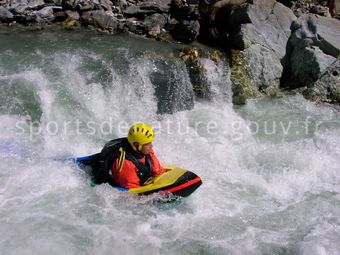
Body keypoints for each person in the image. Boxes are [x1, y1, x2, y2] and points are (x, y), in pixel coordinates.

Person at [92, 123, 165, 188]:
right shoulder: (126, 163)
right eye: (147, 144)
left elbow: (159, 172)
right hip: (109, 178)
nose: (151, 146)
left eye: (150, 142)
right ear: (137, 145)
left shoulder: (146, 150)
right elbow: (132, 192)